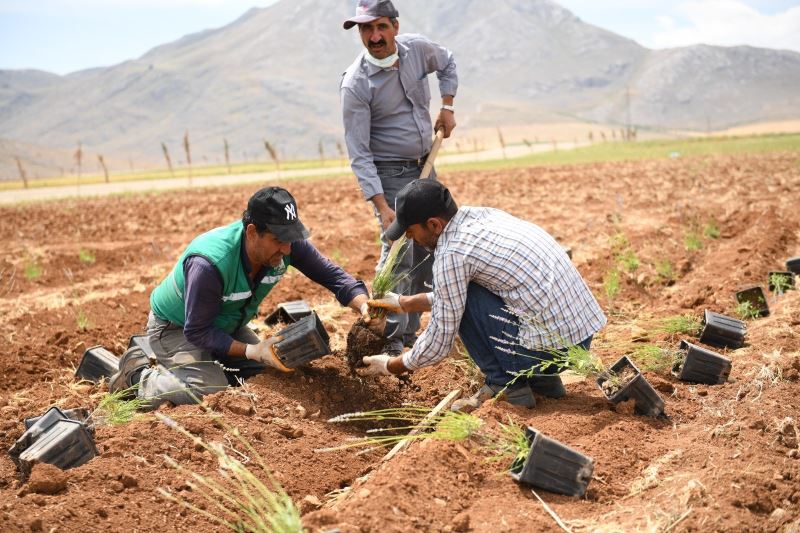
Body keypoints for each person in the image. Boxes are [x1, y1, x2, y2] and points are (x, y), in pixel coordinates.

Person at [109, 187, 370, 407]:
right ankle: (136, 377)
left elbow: (332, 275)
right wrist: (252, 350)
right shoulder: (209, 263)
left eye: (291, 239)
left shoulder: (287, 244)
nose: (287, 248)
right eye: (279, 240)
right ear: (252, 232)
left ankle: (216, 368)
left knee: (271, 374)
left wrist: (363, 303)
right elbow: (198, 331)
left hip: (226, 324)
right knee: (208, 389)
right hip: (176, 328)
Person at [360, 180, 607, 410]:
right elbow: (459, 293)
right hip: (579, 341)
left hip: (544, 353)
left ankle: (504, 385)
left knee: (462, 302)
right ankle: (543, 382)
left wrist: (391, 365)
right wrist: (403, 304)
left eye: (411, 231)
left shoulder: (452, 254)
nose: (410, 238)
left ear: (435, 224)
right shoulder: (486, 217)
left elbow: (438, 343)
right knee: (469, 293)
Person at [340, 0, 457, 354]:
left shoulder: (418, 50)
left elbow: (448, 62)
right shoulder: (356, 84)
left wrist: (447, 106)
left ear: (394, 26)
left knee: (438, 243)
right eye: (366, 29)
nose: (374, 36)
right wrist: (382, 206)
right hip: (389, 176)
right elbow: (359, 153)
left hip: (425, 166)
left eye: (381, 27)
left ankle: (424, 334)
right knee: (398, 254)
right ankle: (389, 340)